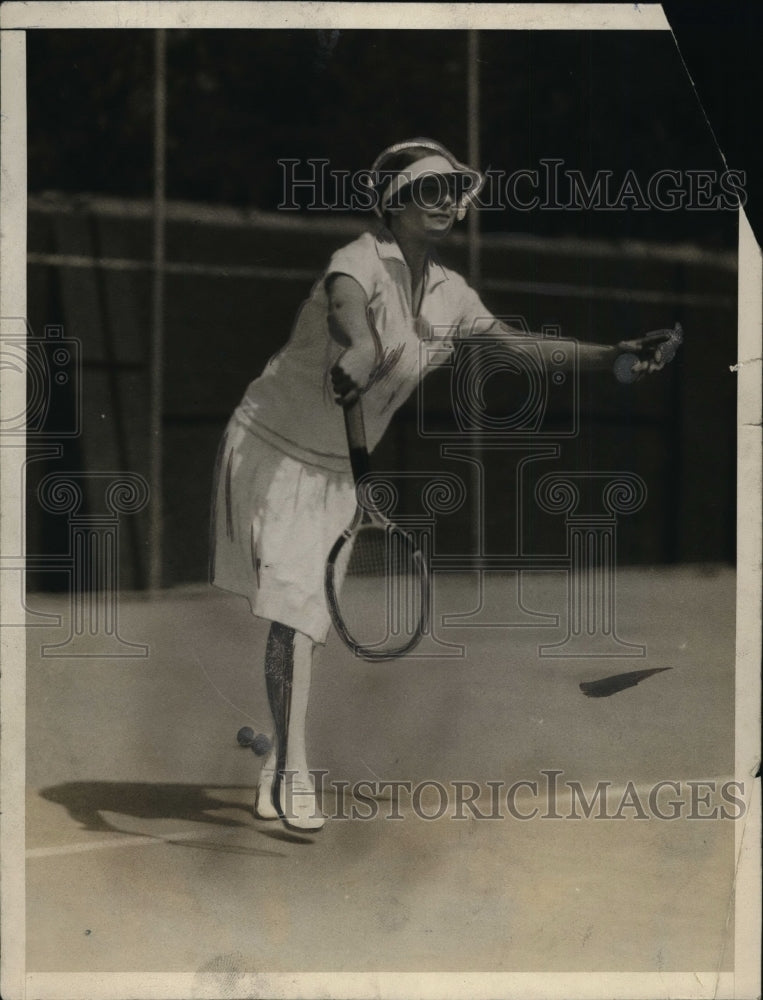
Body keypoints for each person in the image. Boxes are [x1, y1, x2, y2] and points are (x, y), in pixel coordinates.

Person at [210, 138, 673, 832]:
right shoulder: (358, 260)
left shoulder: (451, 296)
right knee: (292, 605)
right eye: (431, 189)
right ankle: (292, 770)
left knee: (301, 619)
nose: (450, 202)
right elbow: (346, 309)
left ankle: (280, 761)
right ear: (394, 202)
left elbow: (514, 347)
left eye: (457, 190)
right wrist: (362, 346)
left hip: (337, 466)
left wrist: (609, 358)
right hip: (268, 449)